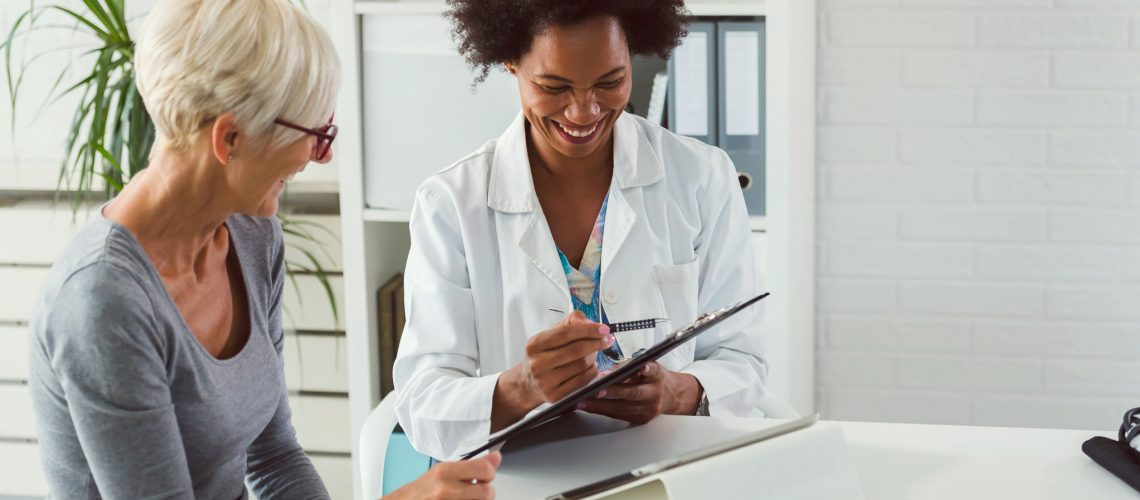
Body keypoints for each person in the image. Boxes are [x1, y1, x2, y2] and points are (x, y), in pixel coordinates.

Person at [27, 0, 500, 498]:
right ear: (228, 138)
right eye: (314, 133)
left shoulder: (251, 235)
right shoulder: (102, 302)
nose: (324, 154)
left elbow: (274, 458)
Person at [393, 0, 767, 461]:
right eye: (554, 86)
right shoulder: (449, 203)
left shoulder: (702, 177)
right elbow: (421, 403)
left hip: (672, 468)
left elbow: (744, 360)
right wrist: (520, 389)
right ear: (511, 62)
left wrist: (678, 392)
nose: (583, 111)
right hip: (523, 478)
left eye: (610, 82)